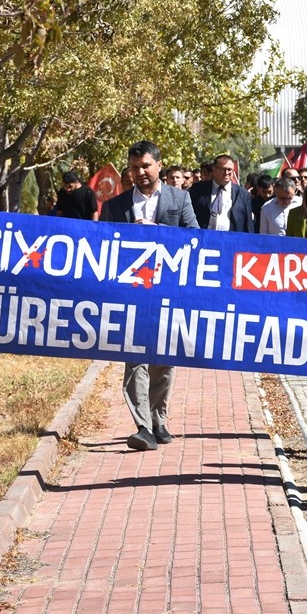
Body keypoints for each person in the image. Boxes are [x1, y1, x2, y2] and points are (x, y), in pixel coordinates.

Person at [99, 140, 199, 451]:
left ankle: (158, 419)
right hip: (130, 296)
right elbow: (103, 247)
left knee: (164, 363)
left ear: (158, 165)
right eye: (134, 167)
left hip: (168, 294)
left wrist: (161, 233)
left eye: (145, 166)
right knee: (135, 361)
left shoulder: (179, 199)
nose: (140, 172)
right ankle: (142, 427)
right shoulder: (115, 207)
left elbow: (196, 238)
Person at [189, 155, 254, 233]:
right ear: (214, 169)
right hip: (204, 239)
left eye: (229, 170)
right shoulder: (198, 189)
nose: (226, 173)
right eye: (223, 169)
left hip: (232, 241)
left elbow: (248, 225)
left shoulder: (243, 194)